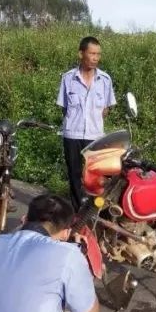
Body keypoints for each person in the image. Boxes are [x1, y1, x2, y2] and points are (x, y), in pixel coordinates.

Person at [57, 36, 117, 210]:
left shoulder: (105, 80)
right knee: (74, 174)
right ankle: (77, 212)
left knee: (96, 177)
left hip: (95, 136)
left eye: (98, 54)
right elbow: (65, 108)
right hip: (72, 135)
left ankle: (94, 212)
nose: (95, 58)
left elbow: (106, 109)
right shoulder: (68, 78)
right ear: (81, 54)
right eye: (92, 53)